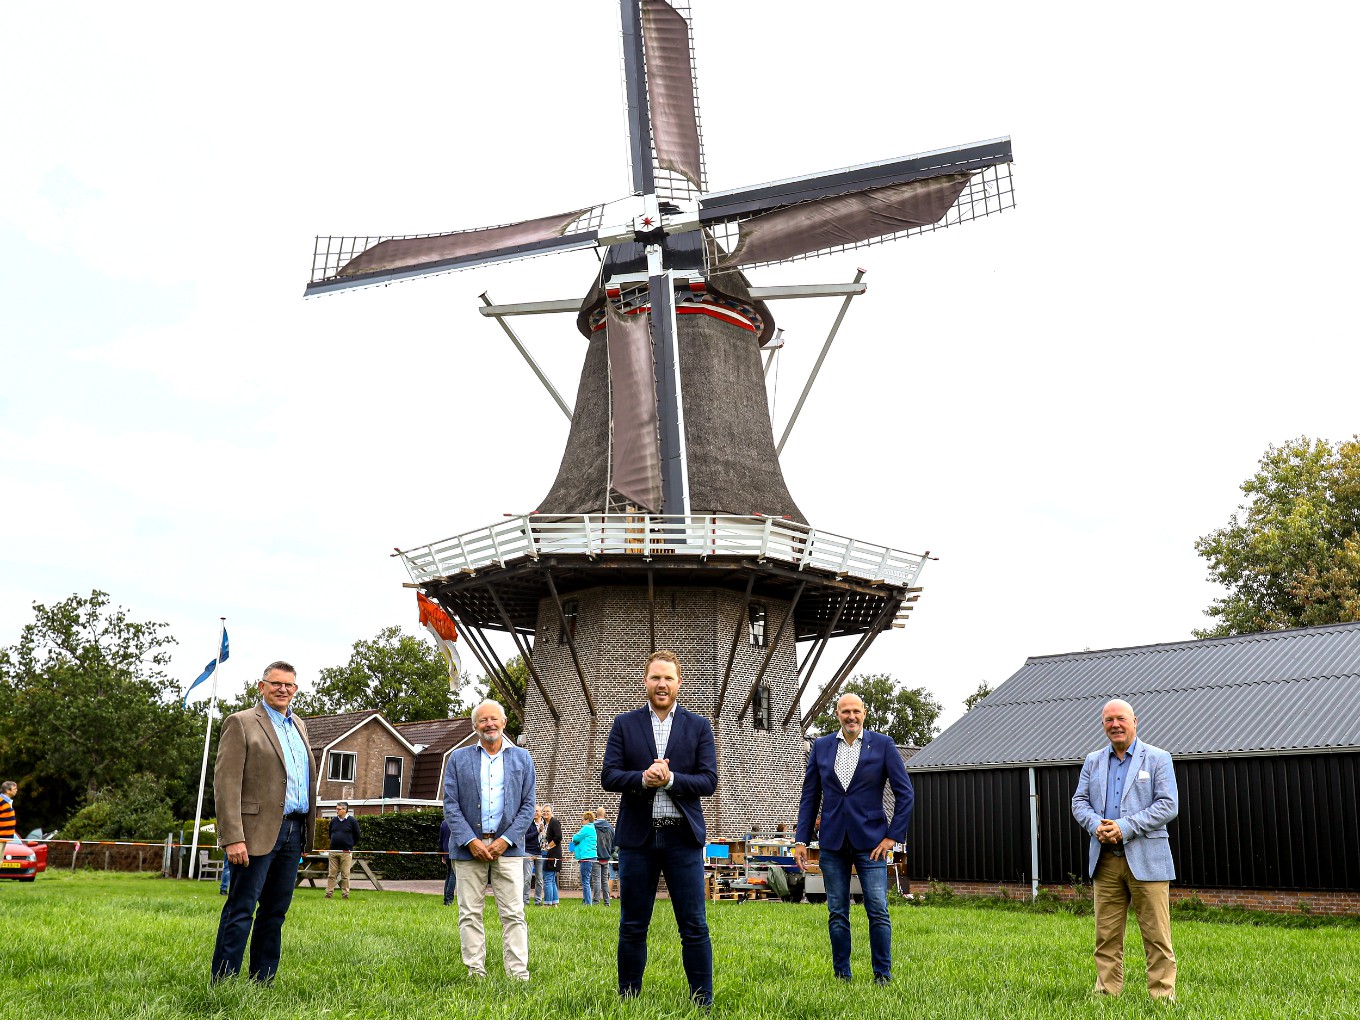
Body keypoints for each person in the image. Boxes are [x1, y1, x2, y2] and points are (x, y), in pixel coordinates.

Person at [601, 650, 717, 1007]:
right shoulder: (625, 724)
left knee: (694, 924)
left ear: (679, 683)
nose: (661, 684)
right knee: (633, 924)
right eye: (655, 678)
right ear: (645, 682)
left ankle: (703, 1003)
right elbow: (609, 775)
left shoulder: (698, 726)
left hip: (682, 836)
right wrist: (642, 778)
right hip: (639, 836)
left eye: (668, 678)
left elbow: (709, 780)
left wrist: (670, 781)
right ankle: (628, 999)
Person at [794, 692, 914, 985]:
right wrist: (801, 839)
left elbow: (905, 793)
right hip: (833, 842)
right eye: (845, 711)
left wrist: (892, 838)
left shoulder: (883, 745)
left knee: (878, 909)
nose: (851, 716)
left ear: (864, 713)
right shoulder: (821, 747)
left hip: (872, 842)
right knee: (837, 912)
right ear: (837, 714)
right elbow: (810, 796)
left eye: (856, 711)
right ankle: (841, 975)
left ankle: (882, 976)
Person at [211, 661, 317, 984]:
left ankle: (262, 981)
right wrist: (233, 837)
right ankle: (224, 982)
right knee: (241, 908)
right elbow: (225, 783)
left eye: (289, 685)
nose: (283, 689)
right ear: (261, 686)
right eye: (276, 683)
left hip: (293, 831)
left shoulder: (299, 725)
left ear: (295, 690)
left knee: (274, 913)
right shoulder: (241, 723)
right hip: (254, 834)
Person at [1072, 698, 1179, 1002]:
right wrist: (1096, 825)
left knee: (1157, 936)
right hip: (1105, 861)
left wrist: (1125, 827)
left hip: (1147, 859)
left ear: (1134, 721)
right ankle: (1106, 994)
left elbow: (1168, 804)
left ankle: (1162, 998)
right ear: (1103, 725)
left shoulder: (1158, 758)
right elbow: (1079, 801)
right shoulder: (1093, 760)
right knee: (1106, 936)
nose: (1115, 724)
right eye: (1108, 720)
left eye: (1120, 718)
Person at [443, 700, 536, 981]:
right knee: (470, 913)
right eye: (483, 720)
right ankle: (475, 972)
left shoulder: (522, 758)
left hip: (508, 849)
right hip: (469, 848)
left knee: (514, 914)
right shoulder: (458, 759)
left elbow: (528, 805)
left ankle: (518, 974)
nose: (489, 724)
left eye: (494, 719)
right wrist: (471, 841)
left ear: (504, 722)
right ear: (475, 726)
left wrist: (506, 840)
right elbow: (451, 804)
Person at [325, 801, 360, 900]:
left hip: (346, 852)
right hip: (333, 851)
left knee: (345, 874)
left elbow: (357, 835)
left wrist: (350, 845)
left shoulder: (352, 821)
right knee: (332, 874)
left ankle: (345, 894)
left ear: (345, 810)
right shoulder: (333, 821)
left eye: (339, 809)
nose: (337, 811)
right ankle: (329, 893)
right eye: (336, 809)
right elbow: (330, 833)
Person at [570, 810, 597, 906]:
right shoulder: (592, 828)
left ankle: (588, 903)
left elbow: (575, 838)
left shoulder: (586, 828)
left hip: (586, 856)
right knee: (588, 880)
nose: (581, 822)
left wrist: (573, 841)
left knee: (585, 881)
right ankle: (586, 901)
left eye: (582, 820)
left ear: (587, 820)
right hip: (591, 856)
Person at [593, 805, 615, 905]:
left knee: (597, 880)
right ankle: (607, 902)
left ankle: (596, 901)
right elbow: (614, 843)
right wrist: (609, 852)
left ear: (596, 815)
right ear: (604, 815)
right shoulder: (610, 828)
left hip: (596, 856)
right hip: (606, 857)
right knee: (605, 880)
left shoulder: (592, 826)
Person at [541, 804, 561, 907]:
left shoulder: (554, 822)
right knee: (551, 879)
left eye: (547, 811)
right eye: (543, 811)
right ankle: (554, 902)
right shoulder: (545, 824)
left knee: (548, 878)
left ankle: (547, 903)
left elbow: (558, 837)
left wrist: (548, 847)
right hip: (546, 853)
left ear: (552, 812)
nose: (545, 813)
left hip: (552, 854)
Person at [523, 805, 543, 905]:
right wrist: (537, 832)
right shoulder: (528, 824)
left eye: (537, 811)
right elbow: (525, 838)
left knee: (539, 879)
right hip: (529, 852)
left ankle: (538, 901)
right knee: (527, 878)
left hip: (540, 853)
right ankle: (525, 901)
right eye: (534, 811)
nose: (535, 813)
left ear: (541, 813)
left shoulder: (545, 824)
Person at [438, 819, 457, 906]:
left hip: (446, 852)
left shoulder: (444, 823)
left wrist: (441, 854)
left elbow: (441, 840)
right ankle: (449, 900)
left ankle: (446, 898)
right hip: (454, 851)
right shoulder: (456, 822)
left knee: (449, 874)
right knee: (453, 874)